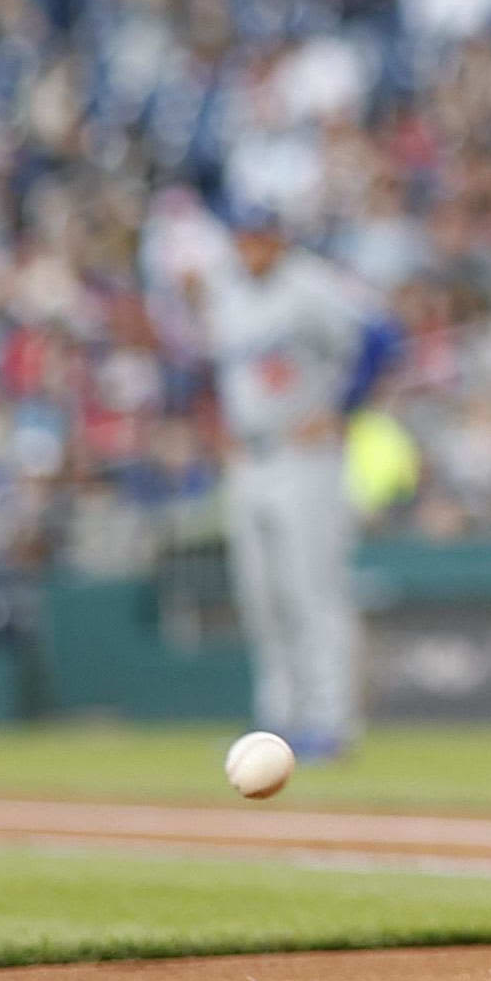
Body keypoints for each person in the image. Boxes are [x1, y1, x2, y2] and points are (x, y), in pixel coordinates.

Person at [172, 196, 393, 761]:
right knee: (262, 597)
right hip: (250, 458)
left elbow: (380, 339)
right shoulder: (229, 290)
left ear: (279, 237)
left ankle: (330, 720)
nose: (251, 246)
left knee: (312, 590)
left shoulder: (311, 285)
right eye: (244, 236)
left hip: (306, 456)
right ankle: (278, 721)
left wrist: (343, 409)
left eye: (260, 235)